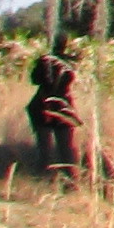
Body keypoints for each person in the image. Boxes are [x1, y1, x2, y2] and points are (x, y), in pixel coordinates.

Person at [27, 40, 81, 174]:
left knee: (46, 148)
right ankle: (66, 177)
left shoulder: (47, 61)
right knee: (63, 148)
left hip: (44, 105)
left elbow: (34, 80)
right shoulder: (65, 64)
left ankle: (49, 175)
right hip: (50, 106)